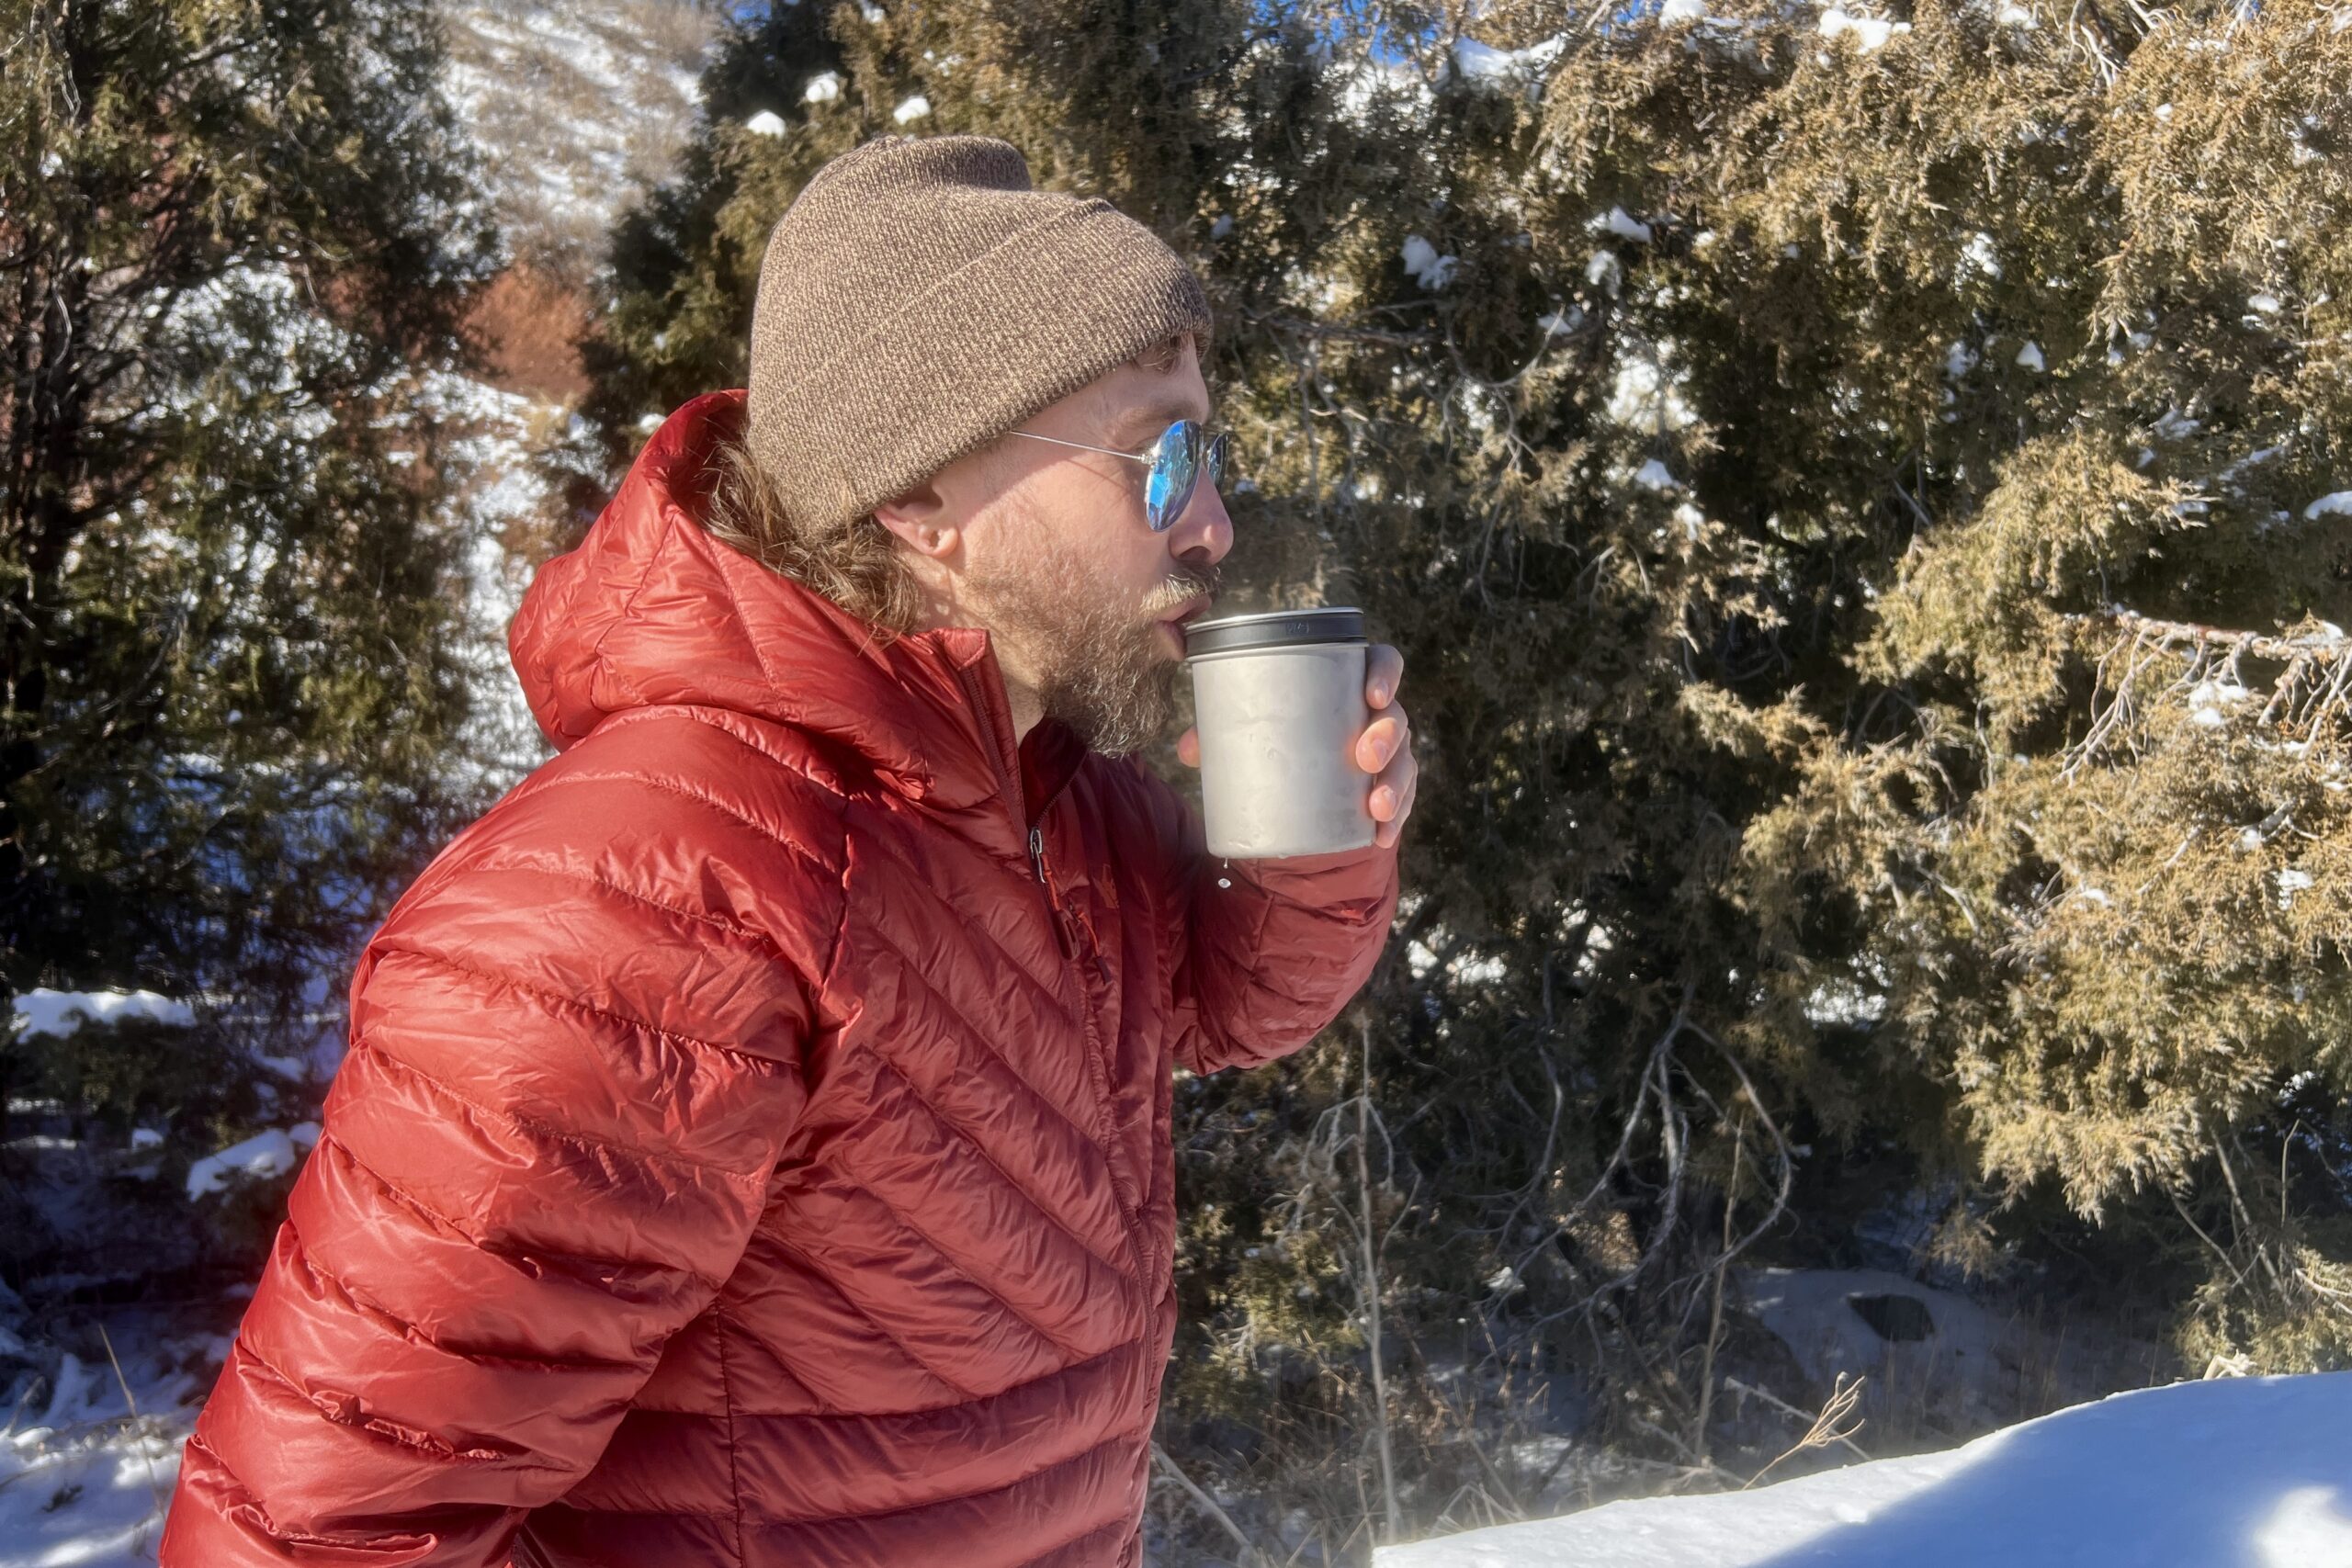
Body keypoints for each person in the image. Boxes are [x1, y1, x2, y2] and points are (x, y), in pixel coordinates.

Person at [160, 132, 1413, 1568]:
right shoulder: (645, 895)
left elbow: (1226, 1005)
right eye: (1160, 458)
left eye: (1212, 454)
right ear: (919, 496)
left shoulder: (1054, 791)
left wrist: (1323, 846)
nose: (1214, 526)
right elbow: (320, 1535)